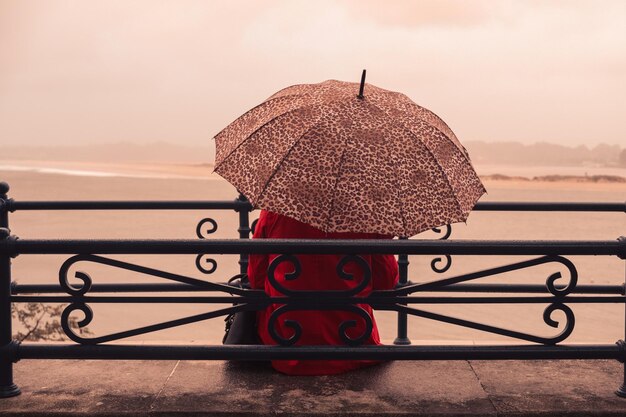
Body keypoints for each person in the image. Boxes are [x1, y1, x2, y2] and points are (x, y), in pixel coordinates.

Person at [247, 209, 399, 375]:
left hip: (285, 341)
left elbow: (257, 279)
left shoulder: (276, 211)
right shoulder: (367, 212)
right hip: (353, 343)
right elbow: (385, 283)